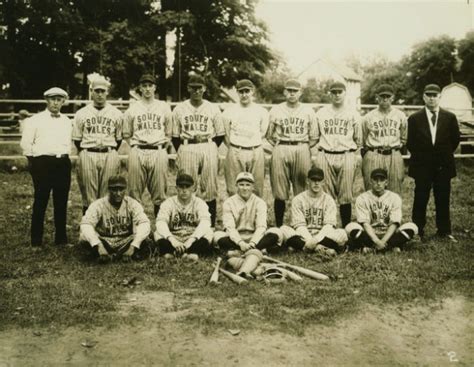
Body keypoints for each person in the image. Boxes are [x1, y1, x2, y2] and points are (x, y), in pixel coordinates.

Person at [407, 84, 460, 241]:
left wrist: (441, 156)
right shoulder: (415, 118)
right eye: (428, 95)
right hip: (422, 165)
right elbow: (410, 143)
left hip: (443, 165)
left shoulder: (450, 117)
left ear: (439, 97)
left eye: (434, 95)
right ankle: (417, 229)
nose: (431, 98)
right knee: (421, 197)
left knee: (443, 197)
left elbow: (454, 140)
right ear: (423, 97)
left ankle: (444, 231)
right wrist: (424, 157)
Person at [20, 87, 72, 248]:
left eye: (59, 99)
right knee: (41, 200)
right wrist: (35, 163)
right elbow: (26, 144)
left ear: (63, 101)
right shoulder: (35, 120)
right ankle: (36, 241)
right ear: (46, 100)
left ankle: (61, 239)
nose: (55, 103)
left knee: (61, 201)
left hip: (62, 162)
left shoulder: (66, 121)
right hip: (42, 163)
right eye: (52, 99)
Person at [171, 75, 225, 227]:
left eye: (199, 87)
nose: (196, 90)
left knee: (210, 187)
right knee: (186, 185)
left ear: (204, 89)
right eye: (193, 87)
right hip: (187, 145)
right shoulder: (179, 109)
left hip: (208, 145)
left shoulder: (212, 108)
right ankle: (187, 224)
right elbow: (175, 136)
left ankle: (210, 227)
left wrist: (211, 147)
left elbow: (220, 134)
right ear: (188, 88)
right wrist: (184, 148)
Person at [266, 78, 317, 226]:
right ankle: (280, 226)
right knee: (279, 190)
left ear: (300, 92)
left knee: (301, 189)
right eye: (289, 90)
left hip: (301, 147)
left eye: (295, 91)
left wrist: (302, 145)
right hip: (281, 146)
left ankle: (300, 225)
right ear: (284, 92)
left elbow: (314, 136)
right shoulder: (276, 110)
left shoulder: (308, 110)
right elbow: (269, 135)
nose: (292, 93)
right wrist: (280, 145)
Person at [122, 74, 172, 217]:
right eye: (144, 86)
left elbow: (169, 133)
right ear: (140, 88)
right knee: (134, 192)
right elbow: (126, 133)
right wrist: (135, 144)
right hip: (138, 150)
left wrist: (161, 146)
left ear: (155, 87)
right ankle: (136, 230)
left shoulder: (163, 107)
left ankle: (160, 230)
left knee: (160, 192)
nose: (147, 89)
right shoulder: (133, 108)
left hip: (158, 150)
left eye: (150, 85)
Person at [313, 81, 362, 227]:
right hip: (325, 153)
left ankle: (346, 228)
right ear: (329, 94)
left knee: (345, 194)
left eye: (339, 92)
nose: (337, 95)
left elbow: (359, 139)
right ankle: (329, 227)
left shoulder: (353, 113)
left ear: (345, 93)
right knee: (326, 194)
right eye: (334, 92)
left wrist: (354, 155)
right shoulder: (321, 113)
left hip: (346, 153)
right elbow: (316, 135)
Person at [72, 76, 123, 214]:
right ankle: (88, 231)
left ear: (107, 92)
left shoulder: (116, 113)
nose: (100, 94)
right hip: (88, 152)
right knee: (89, 197)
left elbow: (118, 139)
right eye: (97, 91)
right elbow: (77, 139)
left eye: (102, 91)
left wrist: (109, 149)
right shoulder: (81, 113)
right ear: (91, 92)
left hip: (109, 152)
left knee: (108, 193)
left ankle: (105, 230)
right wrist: (87, 150)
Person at [79, 175, 153, 263]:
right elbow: (86, 224)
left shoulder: (132, 203)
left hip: (125, 240)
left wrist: (133, 245)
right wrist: (98, 245)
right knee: (83, 238)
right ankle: (120, 256)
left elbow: (144, 223)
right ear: (108, 190)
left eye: (121, 189)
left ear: (125, 189)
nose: (118, 193)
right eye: (114, 189)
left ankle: (111, 256)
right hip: (105, 240)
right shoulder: (98, 205)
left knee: (147, 237)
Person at [345, 168, 418, 253]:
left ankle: (372, 249)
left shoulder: (394, 197)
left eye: (381, 180)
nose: (378, 183)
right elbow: (365, 224)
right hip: (370, 234)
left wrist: (382, 241)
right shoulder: (362, 198)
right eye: (375, 180)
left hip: (389, 234)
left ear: (386, 182)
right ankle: (390, 248)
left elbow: (394, 223)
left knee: (412, 227)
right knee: (350, 227)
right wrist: (377, 241)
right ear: (371, 182)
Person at [280, 167, 348, 256]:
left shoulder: (329, 200)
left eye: (319, 180)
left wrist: (315, 240)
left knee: (342, 233)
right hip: (303, 235)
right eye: (313, 180)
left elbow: (328, 226)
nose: (316, 183)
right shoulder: (298, 199)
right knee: (283, 229)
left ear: (323, 182)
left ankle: (301, 248)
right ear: (307, 181)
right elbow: (299, 226)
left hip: (323, 236)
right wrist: (309, 240)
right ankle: (321, 249)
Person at [214, 172, 282, 255]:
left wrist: (253, 243)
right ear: (236, 186)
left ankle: (240, 251)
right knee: (216, 236)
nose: (245, 188)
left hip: (256, 237)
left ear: (253, 187)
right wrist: (240, 243)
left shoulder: (260, 202)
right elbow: (229, 228)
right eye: (241, 185)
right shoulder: (228, 202)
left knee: (276, 232)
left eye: (248, 185)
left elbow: (261, 226)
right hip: (236, 238)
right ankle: (259, 250)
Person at [222, 79, 269, 197]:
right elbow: (226, 134)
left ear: (252, 91)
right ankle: (236, 214)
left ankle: (253, 214)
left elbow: (263, 132)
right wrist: (235, 147)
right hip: (236, 150)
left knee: (256, 188)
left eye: (247, 91)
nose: (244, 95)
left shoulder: (261, 111)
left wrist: (251, 143)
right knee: (233, 188)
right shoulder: (229, 111)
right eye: (241, 92)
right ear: (237, 93)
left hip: (255, 150)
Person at [154, 172, 214, 261]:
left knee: (209, 231)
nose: (184, 190)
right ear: (176, 188)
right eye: (181, 187)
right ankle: (175, 252)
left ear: (193, 188)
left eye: (187, 187)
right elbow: (160, 223)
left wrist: (191, 240)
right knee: (158, 232)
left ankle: (190, 252)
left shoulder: (199, 203)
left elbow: (205, 223)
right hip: (174, 236)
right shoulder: (168, 203)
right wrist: (173, 241)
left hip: (193, 237)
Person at [361, 84, 407, 193]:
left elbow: (404, 138)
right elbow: (363, 139)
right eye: (382, 96)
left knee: (395, 192)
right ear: (377, 97)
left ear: (392, 98)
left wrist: (397, 147)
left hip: (394, 154)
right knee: (372, 191)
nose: (385, 99)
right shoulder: (368, 117)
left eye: (388, 96)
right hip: (373, 153)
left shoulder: (400, 116)